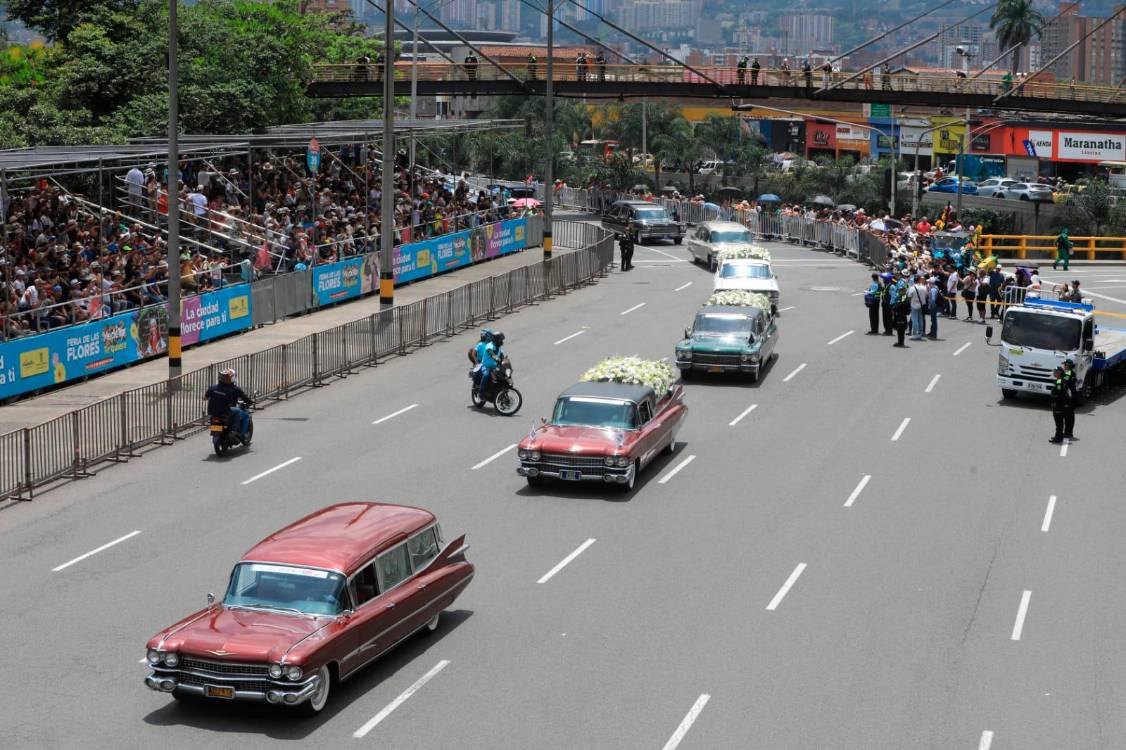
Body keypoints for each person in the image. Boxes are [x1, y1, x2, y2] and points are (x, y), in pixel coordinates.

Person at [205, 368, 252, 441]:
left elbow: (205, 398)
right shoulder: (230, 390)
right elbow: (231, 403)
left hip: (212, 412)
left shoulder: (213, 387)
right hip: (224, 412)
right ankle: (233, 431)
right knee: (238, 411)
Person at [1048, 366, 1076, 443]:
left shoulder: (1059, 382)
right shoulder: (1061, 380)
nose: (1054, 373)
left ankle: (1058, 437)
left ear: (1059, 373)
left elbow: (1060, 395)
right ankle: (1060, 435)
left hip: (1058, 405)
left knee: (1059, 422)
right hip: (1061, 404)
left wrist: (1055, 402)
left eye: (1055, 372)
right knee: (1060, 422)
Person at [909, 274, 928, 340]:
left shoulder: (912, 288)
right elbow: (926, 295)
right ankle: (920, 332)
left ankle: (915, 333)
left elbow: (909, 296)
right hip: (921, 304)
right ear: (919, 280)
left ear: (914, 280)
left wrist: (910, 302)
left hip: (914, 304)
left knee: (914, 319)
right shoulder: (924, 287)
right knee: (920, 319)